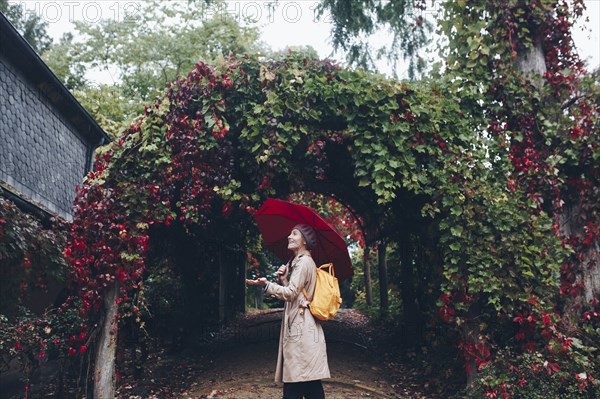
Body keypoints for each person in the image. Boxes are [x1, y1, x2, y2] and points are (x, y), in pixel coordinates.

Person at [246, 224, 330, 399]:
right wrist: (284, 280)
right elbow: (296, 294)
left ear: (304, 241)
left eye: (294, 234)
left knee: (297, 381)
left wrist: (267, 285)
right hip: (304, 327)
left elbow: (291, 294)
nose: (289, 237)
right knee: (308, 381)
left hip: (301, 329)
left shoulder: (303, 263)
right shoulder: (303, 262)